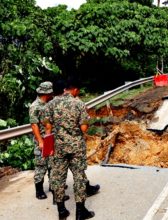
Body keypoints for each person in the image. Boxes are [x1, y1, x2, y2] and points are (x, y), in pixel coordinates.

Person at [44, 78, 95, 220]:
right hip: (76, 147)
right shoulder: (79, 104)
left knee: (58, 178)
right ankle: (80, 212)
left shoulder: (51, 104)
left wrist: (48, 149)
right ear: (75, 89)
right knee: (79, 177)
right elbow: (84, 128)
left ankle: (61, 210)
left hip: (58, 147)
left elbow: (48, 128)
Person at [30, 82, 55, 200]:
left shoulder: (49, 103)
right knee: (41, 165)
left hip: (50, 138)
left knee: (52, 163)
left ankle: (53, 186)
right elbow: (34, 125)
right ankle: (39, 190)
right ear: (47, 93)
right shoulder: (35, 106)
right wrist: (40, 141)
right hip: (41, 140)